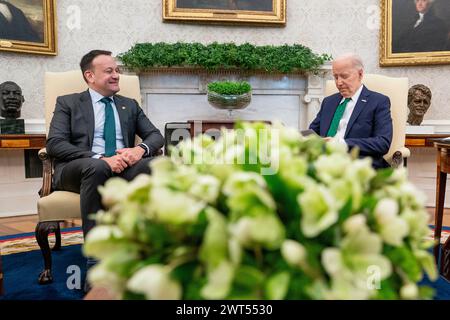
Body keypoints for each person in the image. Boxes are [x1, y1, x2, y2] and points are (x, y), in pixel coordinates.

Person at [46, 50, 165, 285]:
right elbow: (55, 144)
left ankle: (153, 250)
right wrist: (100, 157)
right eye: (109, 71)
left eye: (117, 70)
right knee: (97, 168)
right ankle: (96, 259)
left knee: (161, 163)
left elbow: (154, 135)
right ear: (90, 76)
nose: (116, 75)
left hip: (123, 166)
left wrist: (138, 151)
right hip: (77, 168)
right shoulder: (68, 102)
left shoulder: (128, 105)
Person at [309, 53, 393, 169]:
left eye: (344, 76)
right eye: (336, 77)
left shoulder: (378, 101)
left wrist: (340, 143)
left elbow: (382, 143)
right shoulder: (328, 102)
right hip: (325, 163)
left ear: (360, 74)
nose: (339, 83)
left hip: (358, 166)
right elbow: (312, 133)